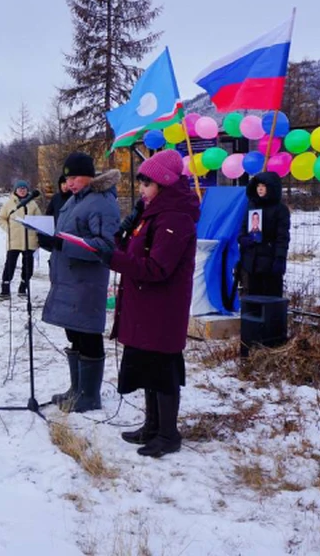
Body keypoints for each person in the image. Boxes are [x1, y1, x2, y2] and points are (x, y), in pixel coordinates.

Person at [106, 150, 199, 458]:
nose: (142, 190)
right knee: (148, 365)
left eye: (146, 184)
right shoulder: (153, 215)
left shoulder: (175, 218)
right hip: (146, 304)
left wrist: (112, 259)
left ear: (164, 183)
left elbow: (158, 268)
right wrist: (118, 239)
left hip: (163, 308)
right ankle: (151, 427)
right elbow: (136, 254)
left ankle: (168, 434)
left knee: (162, 369)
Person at [41, 154, 120, 413]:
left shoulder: (102, 202)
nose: (71, 183)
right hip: (68, 278)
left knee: (88, 333)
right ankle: (77, 389)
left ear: (90, 175)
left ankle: (89, 396)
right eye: (67, 178)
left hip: (87, 281)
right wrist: (49, 240)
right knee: (74, 332)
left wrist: (62, 244)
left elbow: (107, 246)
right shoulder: (75, 200)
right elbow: (66, 234)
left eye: (75, 177)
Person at [238, 172, 290, 297]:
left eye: (264, 186)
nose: (260, 189)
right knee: (253, 298)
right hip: (251, 261)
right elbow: (243, 229)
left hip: (270, 260)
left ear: (271, 188)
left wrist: (280, 258)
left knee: (270, 299)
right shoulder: (252, 206)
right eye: (258, 186)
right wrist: (243, 239)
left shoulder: (280, 209)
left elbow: (282, 237)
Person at [0, 180, 41, 299]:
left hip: (29, 241)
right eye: (19, 188)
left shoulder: (33, 204)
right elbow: (1, 218)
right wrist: (8, 228)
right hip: (14, 241)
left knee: (28, 266)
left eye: (24, 188)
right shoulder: (9, 204)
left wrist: (36, 233)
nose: (22, 190)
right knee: (9, 265)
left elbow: (39, 221)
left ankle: (23, 287)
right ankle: (5, 290)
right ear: (15, 190)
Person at [38, 174, 72, 253]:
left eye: (66, 184)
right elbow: (48, 214)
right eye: (63, 184)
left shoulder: (74, 197)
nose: (65, 186)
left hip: (70, 233)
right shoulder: (56, 198)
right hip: (56, 232)